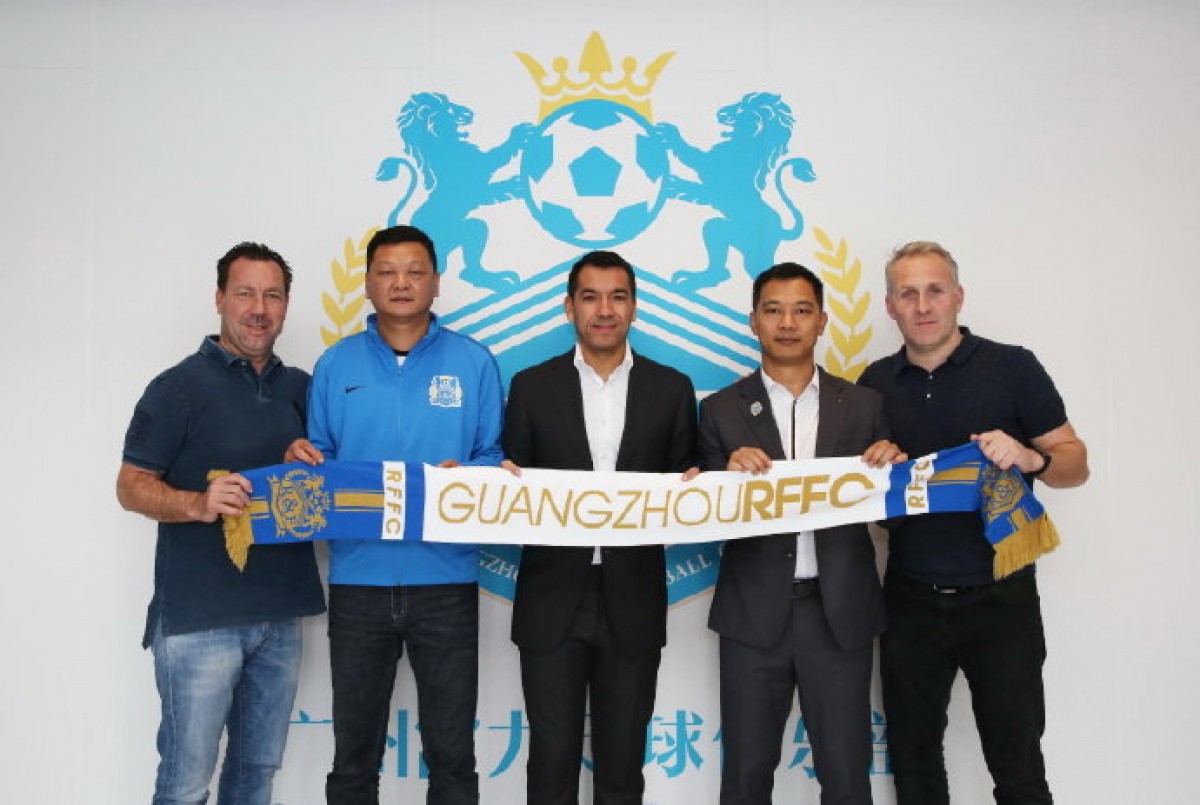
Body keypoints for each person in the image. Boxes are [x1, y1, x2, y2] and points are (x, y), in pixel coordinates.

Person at [858, 241, 1089, 805]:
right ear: (890, 306)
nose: (923, 306)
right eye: (908, 294)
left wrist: (1031, 459)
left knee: (1019, 771)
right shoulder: (874, 383)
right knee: (915, 770)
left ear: (958, 296)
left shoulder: (1013, 367)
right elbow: (865, 500)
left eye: (935, 290)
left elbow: (1076, 465)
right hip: (910, 599)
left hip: (1002, 600)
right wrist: (876, 469)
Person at [290, 224, 503, 805]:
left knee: (453, 757)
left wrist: (474, 472)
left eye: (415, 271)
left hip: (447, 581)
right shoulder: (335, 365)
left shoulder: (474, 362)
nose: (401, 283)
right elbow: (320, 461)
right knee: (353, 759)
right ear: (367, 283)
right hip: (358, 583)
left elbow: (492, 455)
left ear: (436, 282)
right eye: (387, 271)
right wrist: (303, 458)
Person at [116, 242, 326, 805]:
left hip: (280, 617)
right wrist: (198, 503)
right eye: (245, 294)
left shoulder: (303, 388)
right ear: (219, 299)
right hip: (198, 621)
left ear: (286, 306)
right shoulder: (176, 388)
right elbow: (130, 486)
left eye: (272, 295)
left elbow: (334, 481)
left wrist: (306, 465)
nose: (259, 309)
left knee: (255, 778)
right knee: (185, 786)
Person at [698, 262, 903, 805]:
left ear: (822, 322)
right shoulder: (719, 411)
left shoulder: (864, 406)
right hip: (752, 616)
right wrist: (723, 477)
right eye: (773, 310)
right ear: (753, 321)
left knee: (847, 776)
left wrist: (894, 473)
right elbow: (700, 515)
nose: (787, 323)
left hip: (838, 614)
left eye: (801, 310)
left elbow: (890, 515)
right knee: (745, 777)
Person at [502, 250, 698, 805]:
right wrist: (496, 483)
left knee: (622, 768)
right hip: (551, 600)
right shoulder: (531, 386)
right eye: (590, 297)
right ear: (570, 308)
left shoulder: (671, 388)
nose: (604, 310)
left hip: (633, 600)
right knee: (551, 764)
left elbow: (688, 480)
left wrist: (695, 487)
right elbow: (508, 481)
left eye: (617, 297)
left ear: (634, 307)